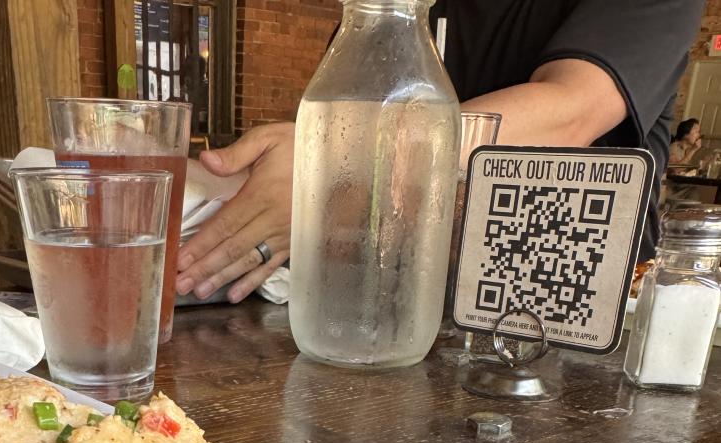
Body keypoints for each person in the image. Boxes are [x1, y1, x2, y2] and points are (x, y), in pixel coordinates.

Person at [176, 0, 703, 304]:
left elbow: (570, 111)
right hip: (401, 298)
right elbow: (339, 145)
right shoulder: (392, 9)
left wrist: (329, 163)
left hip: (578, 312)